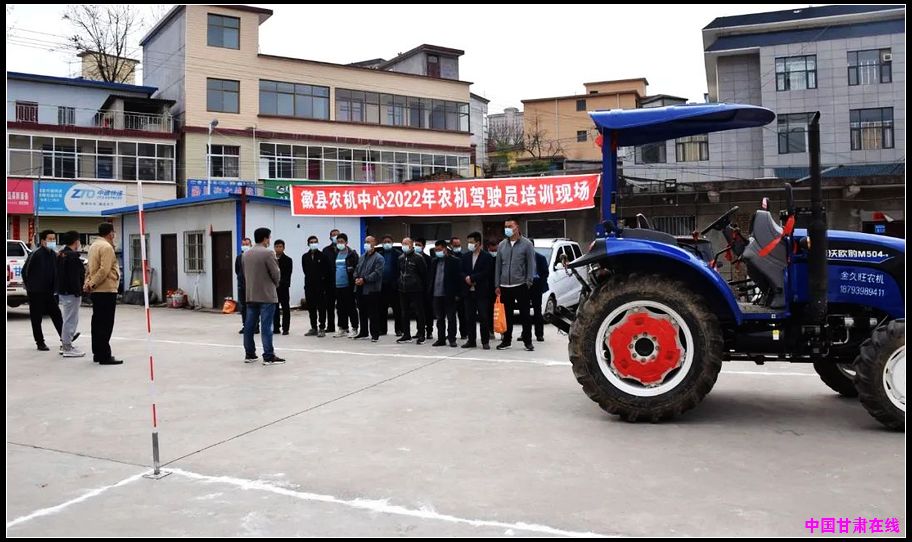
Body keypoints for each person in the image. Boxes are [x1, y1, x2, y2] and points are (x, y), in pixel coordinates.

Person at [242, 227, 285, 364]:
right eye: (269, 237)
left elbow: (244, 273)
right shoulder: (268, 253)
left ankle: (250, 354)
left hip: (251, 294)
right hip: (266, 295)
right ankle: (268, 355)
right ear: (266, 238)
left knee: (249, 326)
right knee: (266, 327)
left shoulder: (246, 254)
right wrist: (275, 284)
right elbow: (276, 273)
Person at [494, 219, 536, 351]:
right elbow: (498, 266)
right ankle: (506, 341)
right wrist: (497, 284)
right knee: (507, 316)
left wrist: (529, 281)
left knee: (525, 315)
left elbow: (531, 264)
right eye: (505, 226)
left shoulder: (527, 244)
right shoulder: (502, 245)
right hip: (505, 285)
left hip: (521, 284)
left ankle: (528, 341)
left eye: (510, 226)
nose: (507, 228)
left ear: (517, 227)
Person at [84, 223, 123, 364]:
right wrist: (92, 283)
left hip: (97, 290)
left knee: (97, 323)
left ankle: (97, 353)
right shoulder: (106, 247)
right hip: (106, 289)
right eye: (114, 233)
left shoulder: (93, 246)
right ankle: (104, 355)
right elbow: (104, 270)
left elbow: (89, 268)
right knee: (105, 324)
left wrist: (88, 282)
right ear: (110, 233)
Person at [22, 229, 64, 351]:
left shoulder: (53, 254)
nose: (52, 241)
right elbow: (25, 272)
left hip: (49, 291)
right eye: (50, 239)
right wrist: (30, 287)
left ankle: (65, 338)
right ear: (43, 241)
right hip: (36, 292)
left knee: (56, 314)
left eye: (54, 239)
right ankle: (40, 342)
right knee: (37, 318)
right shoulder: (36, 254)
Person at [460, 231, 494, 350]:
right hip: (468, 291)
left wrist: (473, 278)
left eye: (472, 242)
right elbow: (461, 271)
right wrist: (466, 278)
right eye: (468, 242)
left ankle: (485, 341)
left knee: (483, 317)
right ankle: (471, 340)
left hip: (481, 291)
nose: (469, 244)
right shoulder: (465, 256)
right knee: (469, 317)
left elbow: (487, 272)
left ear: (478, 243)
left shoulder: (487, 256)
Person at [55, 231, 85, 357]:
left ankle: (65, 345)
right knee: (71, 320)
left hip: (63, 290)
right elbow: (74, 276)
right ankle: (67, 347)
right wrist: (78, 291)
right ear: (76, 241)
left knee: (67, 318)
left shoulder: (61, 254)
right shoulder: (72, 256)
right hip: (71, 292)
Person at [428, 240, 461, 347]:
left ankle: (452, 339)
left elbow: (458, 279)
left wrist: (457, 294)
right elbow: (431, 277)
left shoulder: (454, 261)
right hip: (436, 294)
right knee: (439, 318)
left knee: (451, 318)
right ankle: (441, 339)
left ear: (445, 249)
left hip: (449, 294)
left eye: (439, 249)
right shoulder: (434, 261)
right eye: (436, 250)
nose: (437, 252)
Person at [353, 236, 384, 342]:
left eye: (369, 242)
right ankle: (363, 332)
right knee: (362, 311)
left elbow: (377, 273)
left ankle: (375, 334)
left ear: (374, 243)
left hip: (372, 289)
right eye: (365, 242)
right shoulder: (362, 257)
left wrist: (364, 279)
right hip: (360, 288)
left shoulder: (379, 258)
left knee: (373, 313)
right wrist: (356, 278)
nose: (366, 244)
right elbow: (356, 269)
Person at [396, 237, 427, 344]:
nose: (404, 245)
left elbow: (423, 274)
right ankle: (406, 334)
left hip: (416, 289)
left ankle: (421, 334)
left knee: (419, 312)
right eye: (403, 243)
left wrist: (421, 286)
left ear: (411, 245)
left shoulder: (418, 258)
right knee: (404, 313)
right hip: (403, 289)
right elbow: (399, 272)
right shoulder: (400, 258)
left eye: (406, 243)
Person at [332, 233, 360, 338]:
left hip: (348, 285)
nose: (339, 243)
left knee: (351, 307)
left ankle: (355, 328)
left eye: (341, 241)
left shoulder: (352, 254)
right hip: (337, 285)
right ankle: (343, 328)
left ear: (346, 242)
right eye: (338, 242)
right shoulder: (336, 253)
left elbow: (357, 268)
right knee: (340, 308)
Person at [302, 235, 327, 337]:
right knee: (311, 308)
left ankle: (322, 327)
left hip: (320, 286)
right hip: (309, 286)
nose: (313, 244)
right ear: (308, 244)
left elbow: (326, 271)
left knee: (321, 308)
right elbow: (305, 271)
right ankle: (313, 327)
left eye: (315, 242)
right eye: (311, 242)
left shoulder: (323, 256)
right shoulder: (305, 257)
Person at [378, 234, 401, 337]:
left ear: (392, 243)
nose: (387, 243)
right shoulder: (379, 254)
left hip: (394, 285)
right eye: (385, 242)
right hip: (382, 285)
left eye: (388, 241)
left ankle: (399, 329)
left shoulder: (398, 254)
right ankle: (382, 329)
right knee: (382, 308)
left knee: (397, 309)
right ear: (382, 243)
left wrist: (397, 281)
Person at [235, 237, 257, 334]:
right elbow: (237, 270)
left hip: (252, 286)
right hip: (242, 285)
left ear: (251, 245)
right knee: (243, 307)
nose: (244, 246)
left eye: (247, 244)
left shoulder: (254, 257)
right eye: (243, 244)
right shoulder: (239, 258)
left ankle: (255, 326)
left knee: (253, 306)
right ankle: (246, 326)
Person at [414, 238, 434, 340]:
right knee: (418, 311)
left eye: (419, 245)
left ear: (423, 246)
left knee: (428, 311)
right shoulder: (413, 258)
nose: (417, 247)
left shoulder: (428, 259)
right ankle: (419, 330)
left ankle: (429, 331)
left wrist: (429, 288)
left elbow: (430, 274)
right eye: (416, 245)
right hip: (416, 289)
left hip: (426, 289)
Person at [272, 239, 293, 335]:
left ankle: (285, 328)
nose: (278, 248)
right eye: (276, 246)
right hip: (273, 287)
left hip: (284, 287)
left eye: (280, 247)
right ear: (274, 248)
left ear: (284, 248)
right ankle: (276, 327)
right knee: (274, 308)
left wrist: (281, 283)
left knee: (285, 308)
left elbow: (288, 274)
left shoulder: (288, 260)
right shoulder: (271, 259)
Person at [322, 229, 340, 334]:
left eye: (337, 235)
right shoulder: (326, 250)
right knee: (329, 306)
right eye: (333, 235)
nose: (335, 237)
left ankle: (343, 326)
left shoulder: (345, 250)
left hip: (341, 282)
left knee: (342, 306)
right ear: (330, 237)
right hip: (329, 282)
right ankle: (330, 326)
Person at [449, 235, 467, 339]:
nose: (457, 247)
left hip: (462, 289)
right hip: (451, 289)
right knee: (451, 315)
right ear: (451, 245)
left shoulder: (463, 256)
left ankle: (464, 333)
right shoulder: (448, 257)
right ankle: (451, 334)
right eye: (455, 245)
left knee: (462, 314)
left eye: (459, 245)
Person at [532, 244, 550, 342]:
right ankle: (525, 333)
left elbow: (545, 273)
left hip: (536, 286)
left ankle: (539, 334)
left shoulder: (540, 258)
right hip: (525, 286)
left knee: (537, 311)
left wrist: (540, 283)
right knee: (524, 311)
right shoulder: (522, 258)